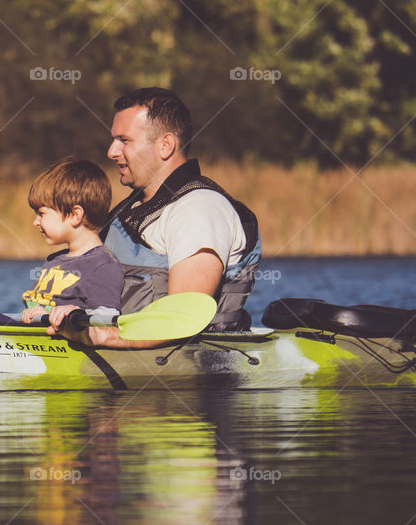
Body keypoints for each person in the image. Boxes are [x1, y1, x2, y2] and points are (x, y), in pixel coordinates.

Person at [48, 87, 261, 347]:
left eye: (124, 140)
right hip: (106, 340)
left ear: (165, 145)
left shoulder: (198, 210)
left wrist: (99, 336)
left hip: (186, 365)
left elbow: (180, 317)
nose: (111, 151)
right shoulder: (130, 210)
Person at [0, 157, 123, 328]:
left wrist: (76, 312)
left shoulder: (102, 266)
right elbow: (37, 309)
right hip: (29, 332)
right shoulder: (56, 259)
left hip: (50, 343)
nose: (35, 222)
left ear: (75, 214)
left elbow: (107, 318)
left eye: (41, 214)